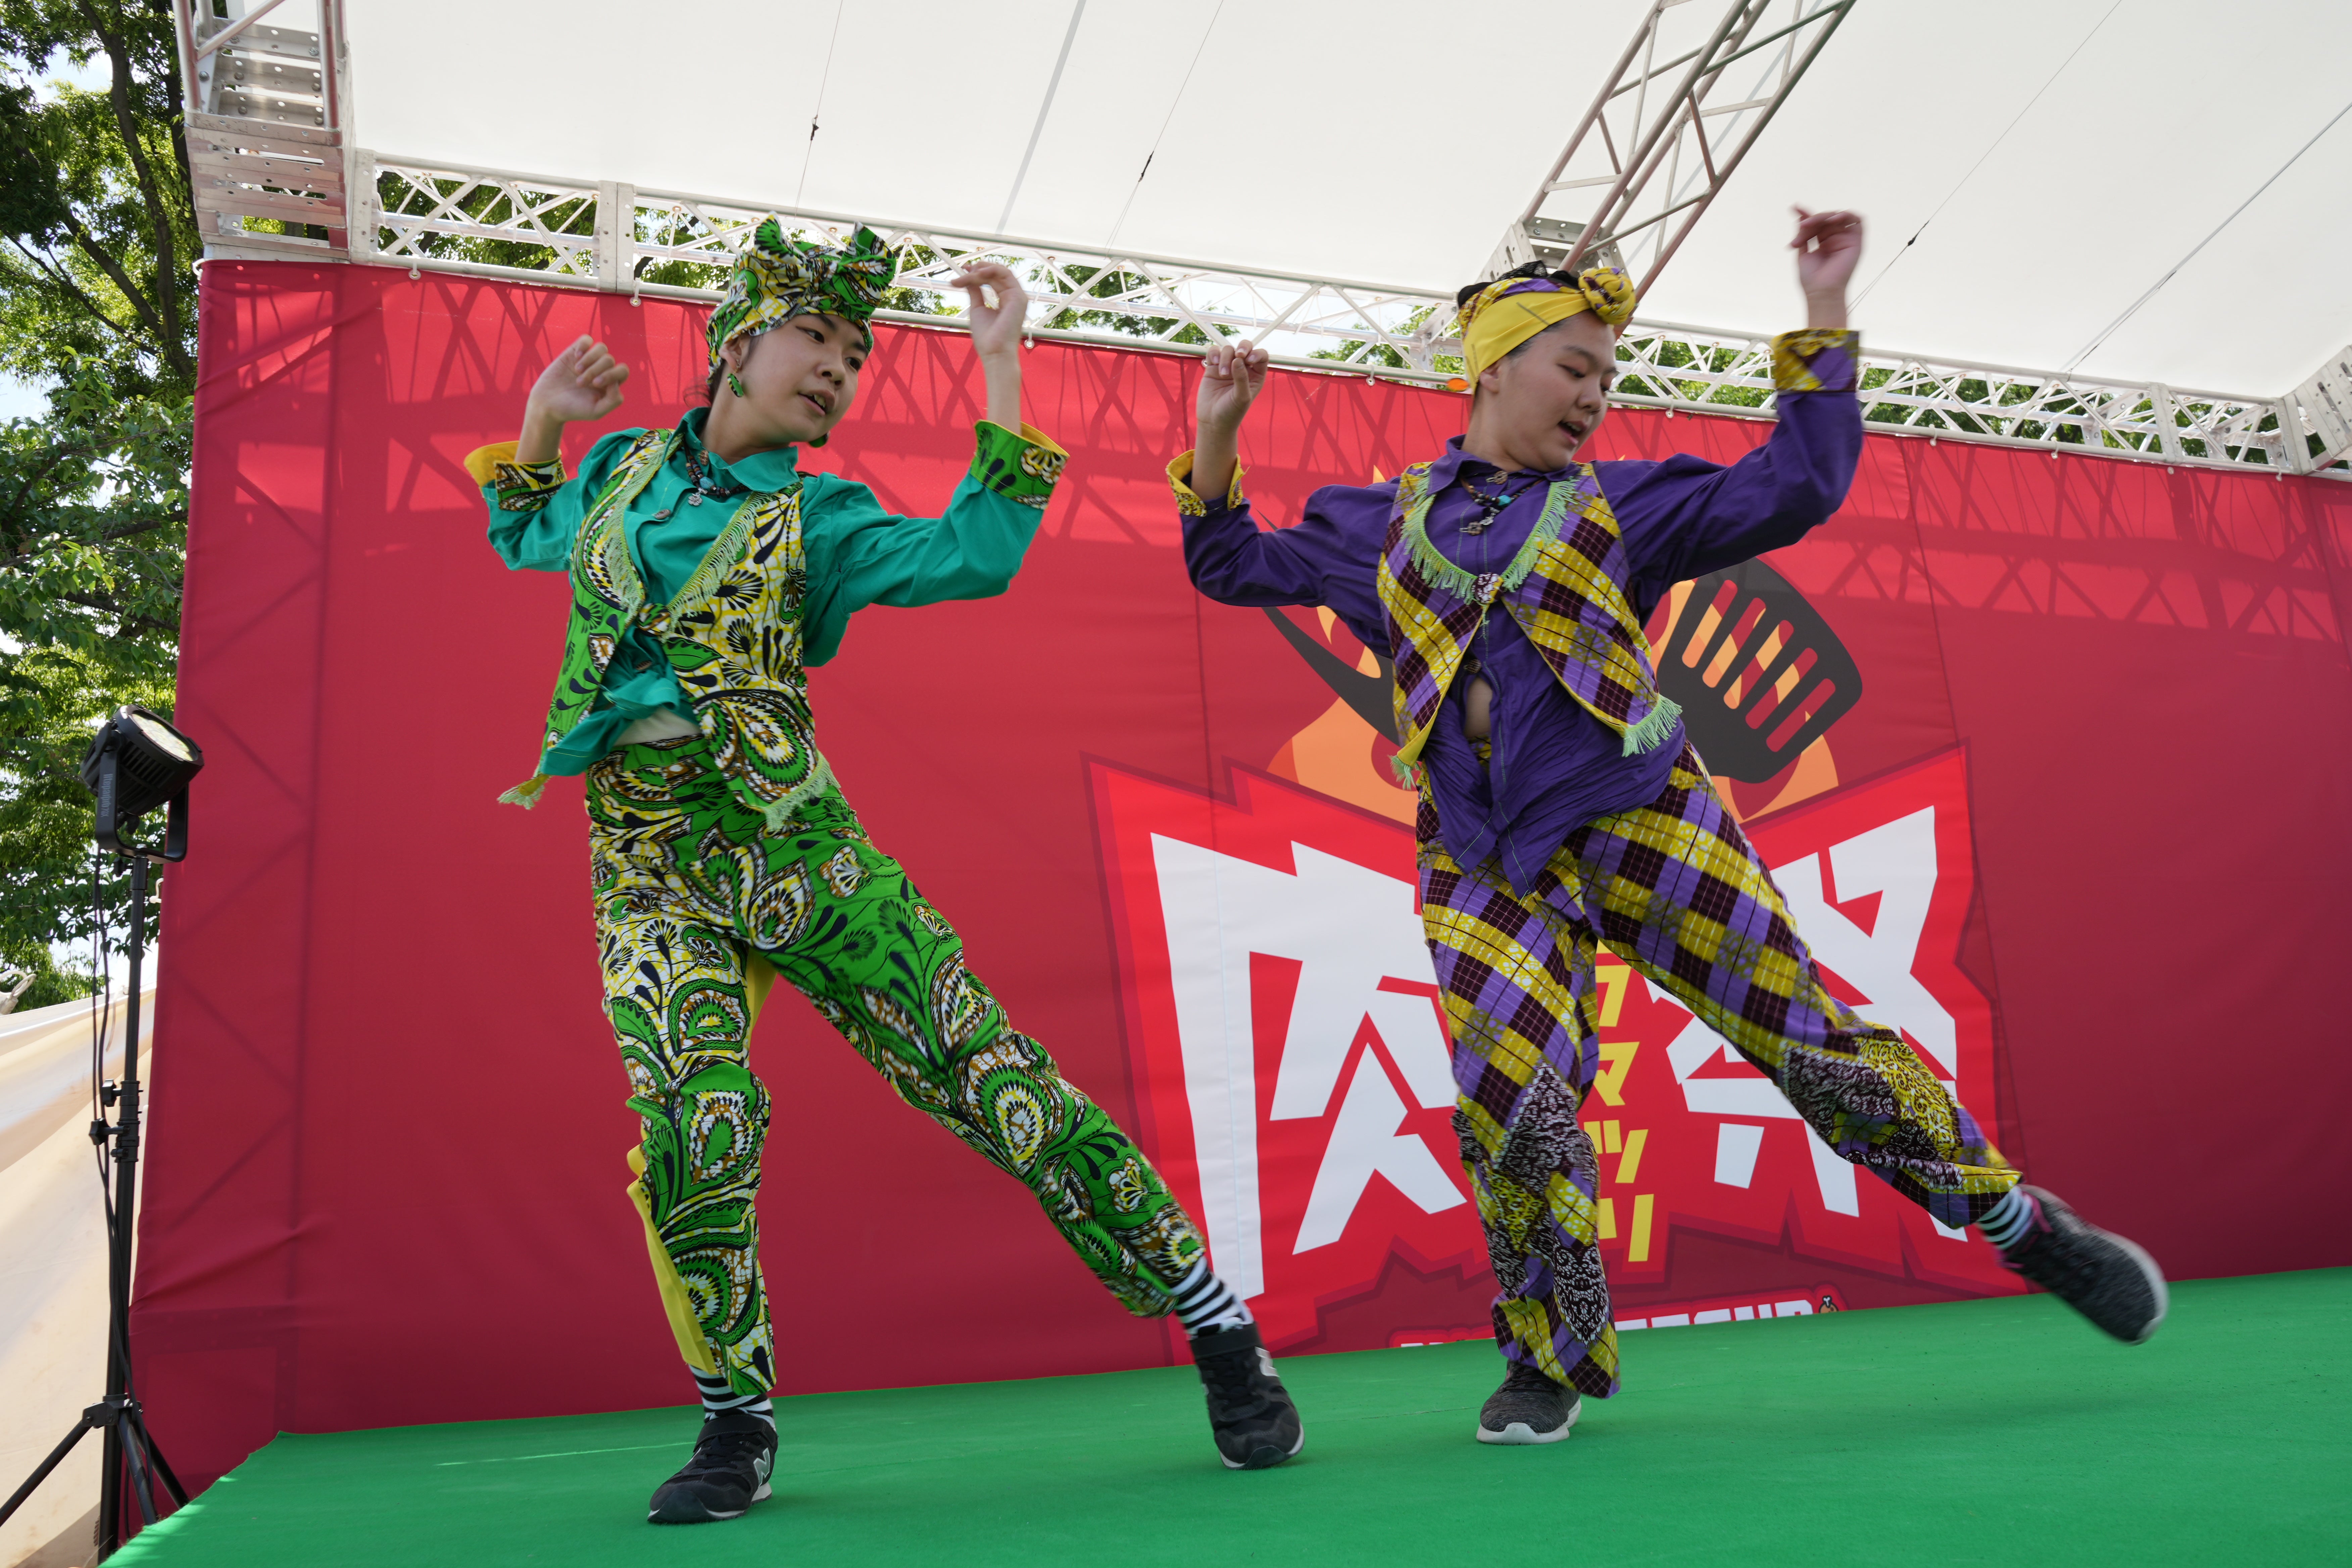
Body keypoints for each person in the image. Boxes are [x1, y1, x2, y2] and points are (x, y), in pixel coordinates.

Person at [1170, 208, 2165, 1447]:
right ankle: (1548, 1361)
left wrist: (1823, 312)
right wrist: (1220, 429)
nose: (1597, 397)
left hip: (1644, 819)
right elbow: (1229, 563)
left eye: (1609, 377)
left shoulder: (1625, 505)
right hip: (1481, 857)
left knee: (1811, 1048)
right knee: (1514, 1102)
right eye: (1575, 368)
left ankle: (2023, 1227)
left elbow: (1799, 483)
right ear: (1493, 367)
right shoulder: (1376, 523)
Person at [468, 221, 1302, 1524]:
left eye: (856, 358)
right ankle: (735, 1422)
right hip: (642, 861)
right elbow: (524, 532)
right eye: (816, 340)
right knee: (692, 1121)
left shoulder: (822, 517)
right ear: (737, 345)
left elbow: (978, 553)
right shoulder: (622, 472)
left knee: (995, 1084)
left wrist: (1002, 363)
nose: (838, 371)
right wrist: (541, 419)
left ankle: (1216, 1323)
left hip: (800, 854)